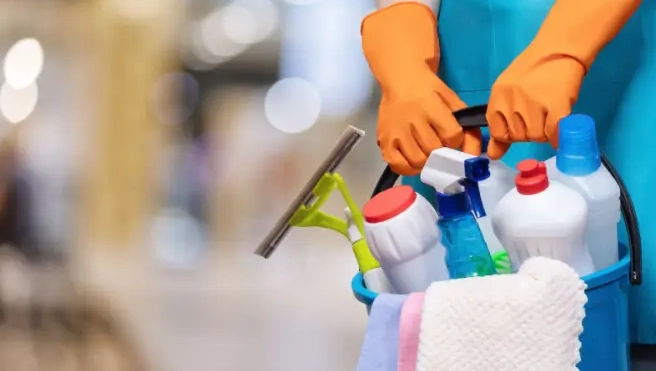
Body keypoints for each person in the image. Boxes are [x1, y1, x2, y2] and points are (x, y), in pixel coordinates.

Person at [361, 0, 655, 343]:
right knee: (452, 302)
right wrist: (403, 62)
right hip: (465, 71)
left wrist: (561, 49)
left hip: (622, 62)